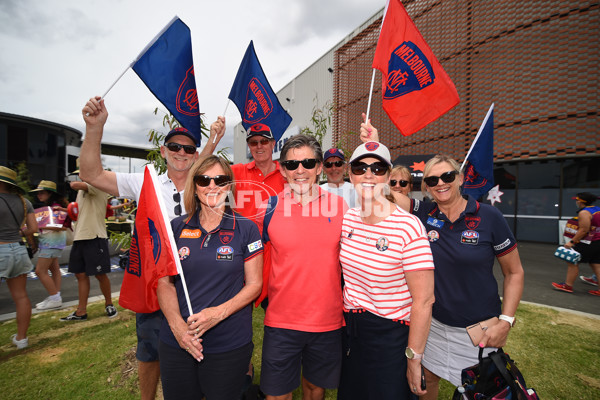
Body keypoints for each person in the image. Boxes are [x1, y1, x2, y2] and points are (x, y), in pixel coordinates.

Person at [360, 117, 524, 399]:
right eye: (432, 180)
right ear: (426, 186)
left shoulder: (489, 217)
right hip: (432, 326)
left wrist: (506, 321)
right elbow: (381, 186)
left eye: (447, 176)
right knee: (425, 388)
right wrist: (374, 146)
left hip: (478, 331)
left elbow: (515, 273)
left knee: (482, 393)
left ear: (460, 178)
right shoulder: (423, 213)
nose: (440, 183)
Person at [80, 96, 225, 400]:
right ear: (163, 151)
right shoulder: (146, 180)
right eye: (174, 147)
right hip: (156, 282)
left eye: (188, 149)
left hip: (197, 281)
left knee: (202, 348)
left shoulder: (202, 185)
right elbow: (91, 175)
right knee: (150, 351)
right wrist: (94, 128)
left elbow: (203, 164)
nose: (181, 153)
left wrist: (213, 139)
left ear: (195, 155)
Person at [157, 155, 263, 400]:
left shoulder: (246, 228)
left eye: (220, 179)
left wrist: (218, 313)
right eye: (204, 179)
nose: (212, 186)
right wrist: (178, 327)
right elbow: (164, 282)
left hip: (228, 343)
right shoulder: (176, 227)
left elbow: (255, 284)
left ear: (229, 186)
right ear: (194, 186)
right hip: (178, 342)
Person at [337, 142, 435, 399]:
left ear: (389, 177)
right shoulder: (348, 218)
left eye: (378, 168)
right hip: (352, 332)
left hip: (391, 336)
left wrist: (414, 359)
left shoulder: (409, 227)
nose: (368, 175)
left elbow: (424, 301)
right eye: (361, 168)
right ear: (351, 175)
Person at [258, 134, 347, 400]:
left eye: (308, 163)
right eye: (292, 164)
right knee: (277, 395)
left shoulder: (340, 207)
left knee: (314, 390)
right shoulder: (268, 208)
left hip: (327, 323)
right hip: (281, 321)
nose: (301, 170)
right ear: (283, 169)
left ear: (319, 167)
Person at [59, 177, 118, 321]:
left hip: (94, 236)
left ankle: (109, 304)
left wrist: (69, 181)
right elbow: (82, 212)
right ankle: (81, 311)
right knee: (80, 275)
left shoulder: (97, 184)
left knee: (100, 274)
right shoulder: (82, 192)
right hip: (80, 236)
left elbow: (74, 184)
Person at [0, 166, 38, 349]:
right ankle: (21, 338)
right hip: (19, 250)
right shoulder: (24, 202)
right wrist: (18, 231)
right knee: (21, 296)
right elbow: (33, 229)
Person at [228, 123, 286, 222]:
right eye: (253, 143)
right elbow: (201, 171)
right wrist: (213, 140)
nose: (259, 146)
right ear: (249, 147)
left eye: (264, 141)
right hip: (245, 237)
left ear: (273, 144)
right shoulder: (236, 172)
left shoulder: (287, 174)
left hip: (276, 237)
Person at [552, 192, 600, 296]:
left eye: (577, 200)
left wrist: (571, 242)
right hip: (598, 241)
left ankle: (568, 286)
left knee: (573, 262)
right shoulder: (597, 209)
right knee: (596, 264)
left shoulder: (584, 213)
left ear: (581, 201)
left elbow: (583, 230)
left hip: (588, 242)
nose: (576, 202)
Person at [31, 180, 68, 310]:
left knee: (40, 271)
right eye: (38, 193)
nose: (39, 195)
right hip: (51, 243)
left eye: (42, 193)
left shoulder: (56, 207)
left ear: (50, 194)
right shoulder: (50, 207)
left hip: (51, 243)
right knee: (54, 269)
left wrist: (40, 225)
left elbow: (62, 227)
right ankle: (55, 296)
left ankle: (55, 298)